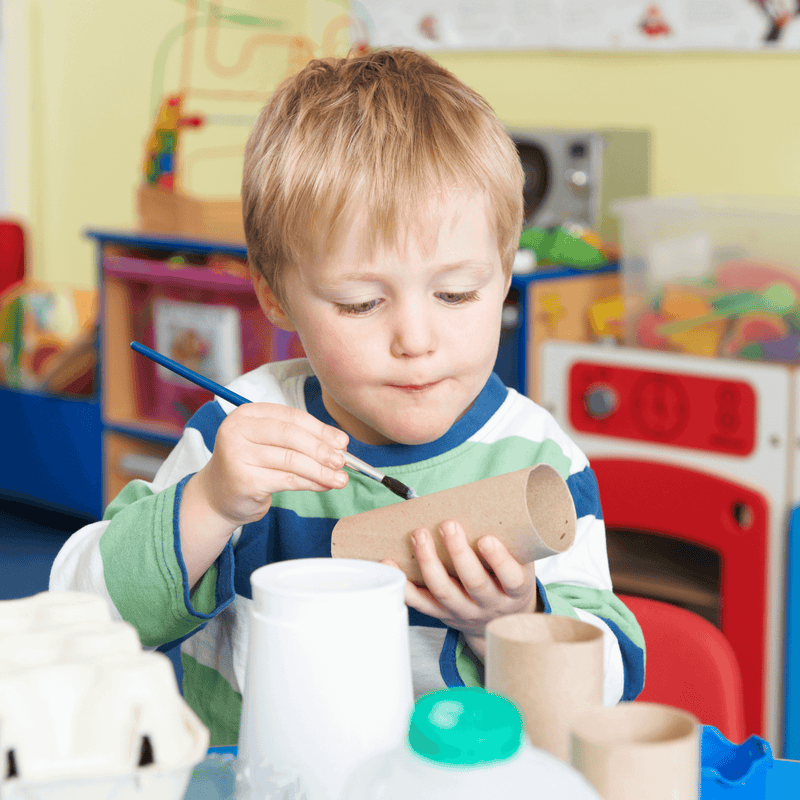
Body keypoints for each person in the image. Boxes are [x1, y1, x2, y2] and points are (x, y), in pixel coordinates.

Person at [51, 47, 644, 746]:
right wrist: (207, 505)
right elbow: (80, 614)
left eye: (456, 293)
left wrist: (508, 624)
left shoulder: (539, 460)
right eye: (361, 304)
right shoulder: (234, 438)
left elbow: (608, 681)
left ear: (506, 273)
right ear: (274, 295)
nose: (416, 339)